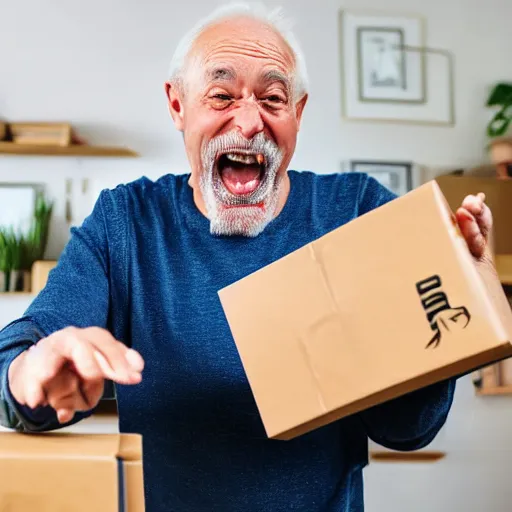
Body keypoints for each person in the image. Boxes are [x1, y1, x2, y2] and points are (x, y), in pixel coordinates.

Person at [0, 3, 493, 511]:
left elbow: (407, 429)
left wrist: (459, 294)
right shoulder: (125, 222)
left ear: (298, 113)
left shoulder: (357, 211)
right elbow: (25, 352)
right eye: (221, 95)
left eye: (273, 98)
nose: (250, 122)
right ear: (177, 106)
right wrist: (30, 374)